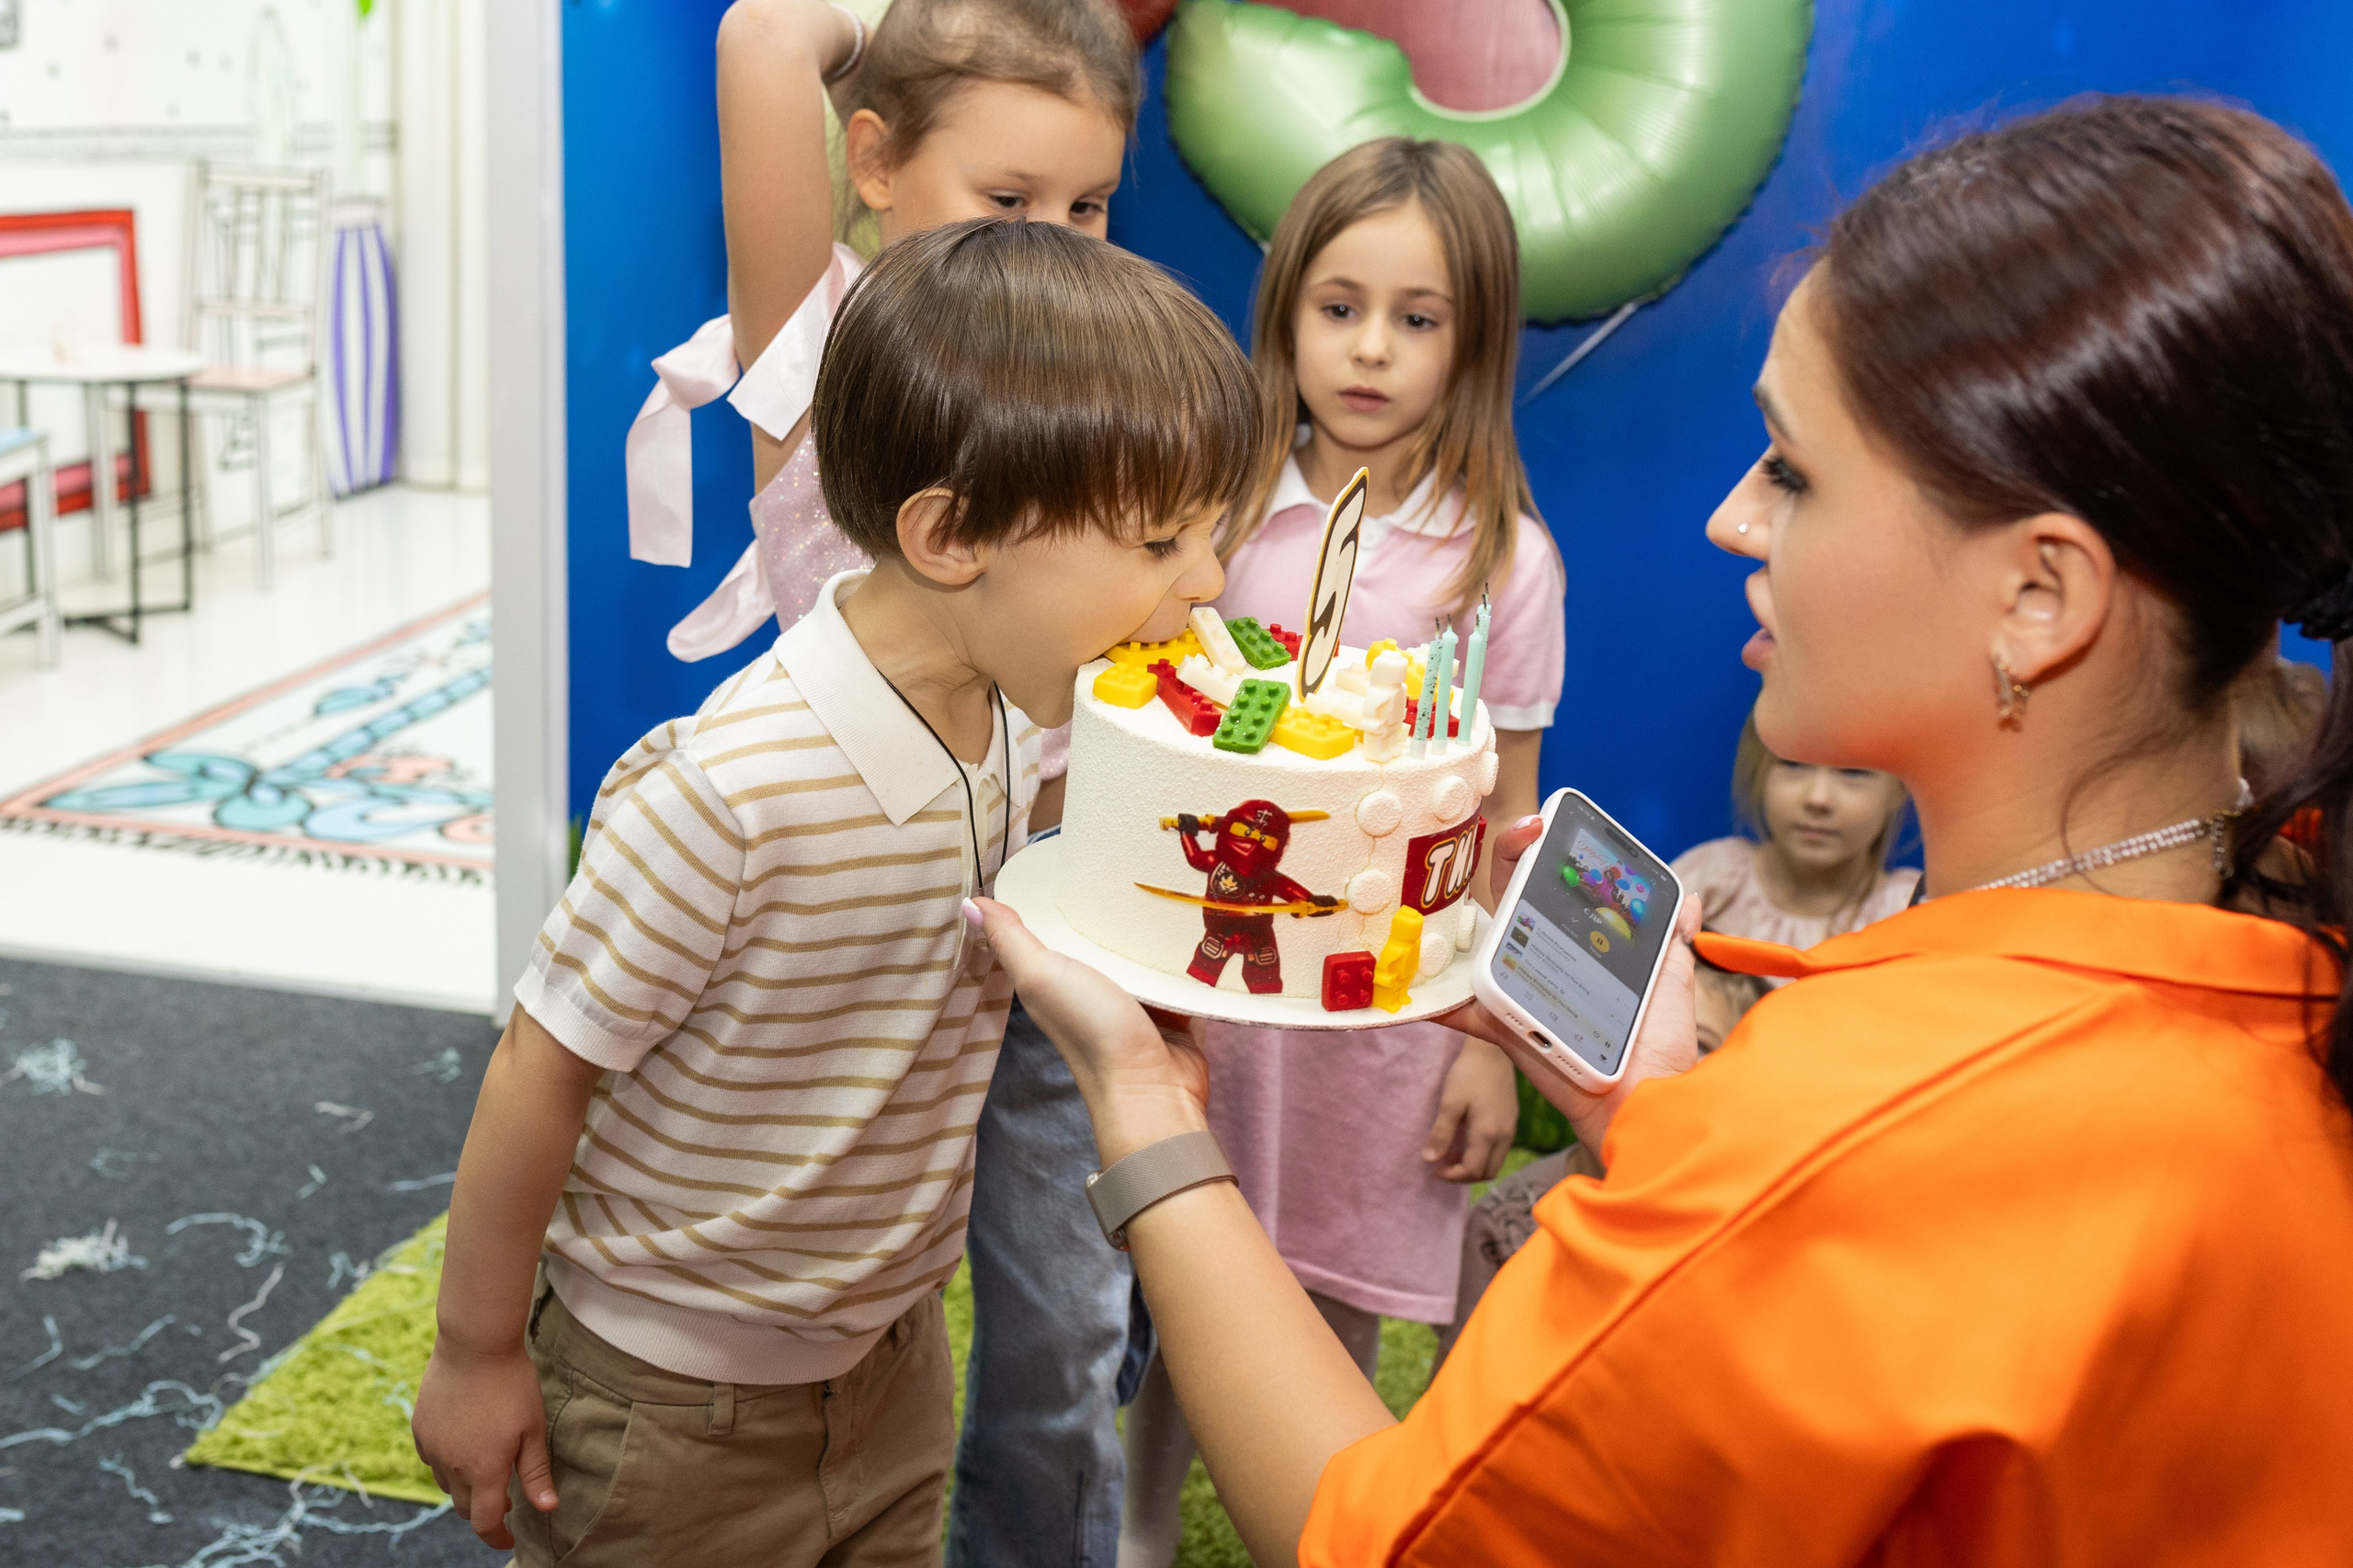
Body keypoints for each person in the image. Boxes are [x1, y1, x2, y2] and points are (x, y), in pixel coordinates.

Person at [971, 95, 2353, 1564]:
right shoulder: (2283, 961)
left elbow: (1382, 1537)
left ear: (2039, 597)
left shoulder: (1840, 1138)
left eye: (1793, 470)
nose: (1730, 520)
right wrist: (1669, 1118)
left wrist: (1148, 1106)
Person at [410, 219, 1256, 1565]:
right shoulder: (726, 797)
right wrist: (472, 1350)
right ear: (953, 534)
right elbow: (540, 1067)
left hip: (888, 1358)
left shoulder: (1008, 715)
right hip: (665, 1402)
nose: (1206, 583)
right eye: (1162, 540)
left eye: (1208, 536)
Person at [624, 6, 1164, 1560]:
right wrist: (929, 25)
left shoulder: (1093, 378)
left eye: (1088, 206)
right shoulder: (824, 352)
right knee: (822, 1333)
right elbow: (765, 34)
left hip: (1049, 939)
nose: (1054, 241)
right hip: (849, 961)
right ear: (872, 163)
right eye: (1008, 198)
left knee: (1062, 1343)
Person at [1114, 137, 1565, 1568]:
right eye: (1340, 306)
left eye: (1417, 318)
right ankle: (1136, 1525)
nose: (1371, 348)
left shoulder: (1505, 564)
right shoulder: (1215, 513)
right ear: (1287, 313)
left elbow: (1506, 816)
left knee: (1333, 1289)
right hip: (1217, 980)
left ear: (1472, 344)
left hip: (1388, 1015)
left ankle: (1321, 1533)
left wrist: (1489, 1042)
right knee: (1187, 1267)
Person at [1431, 951, 1764, 1369]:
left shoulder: (1744, 1230)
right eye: (1630, 1032)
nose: (1652, 1056)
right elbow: (1454, 1378)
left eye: (1700, 1044)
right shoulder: (1508, 1221)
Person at [1672, 709, 1915, 962]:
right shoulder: (1711, 880)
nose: (1817, 798)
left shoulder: (1908, 913)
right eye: (1793, 763)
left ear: (1900, 788)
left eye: (1853, 772)